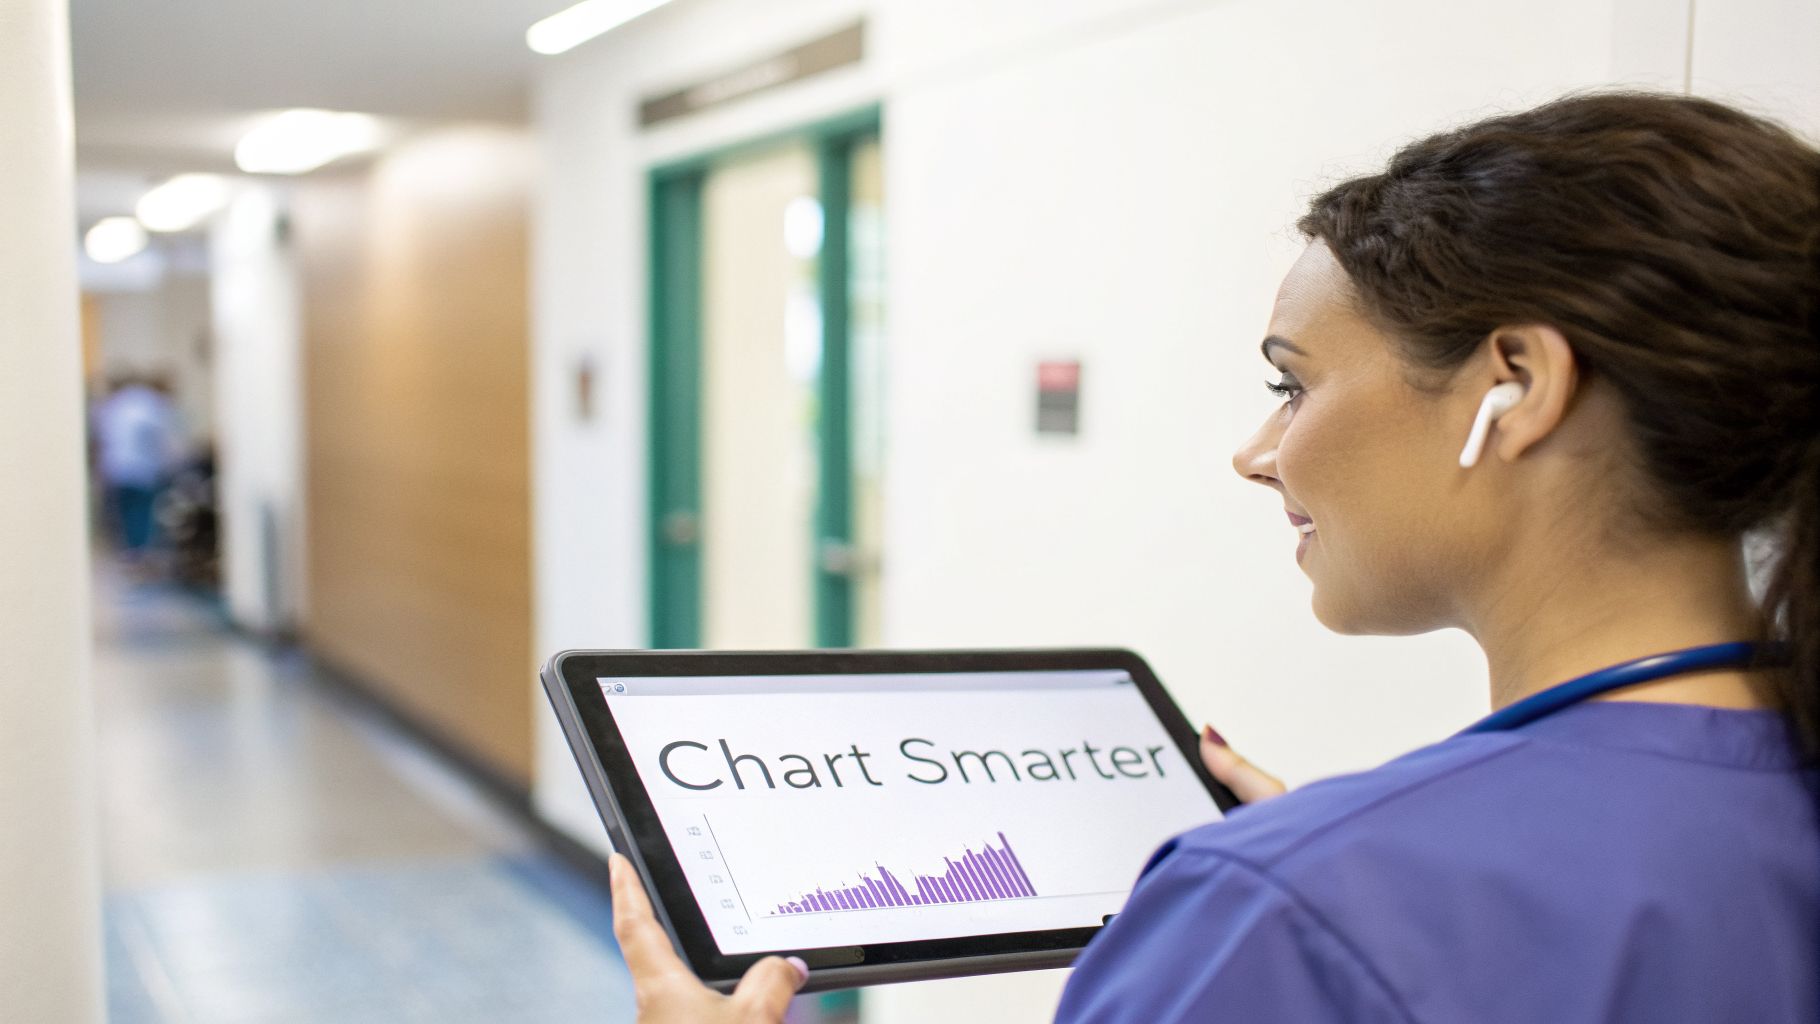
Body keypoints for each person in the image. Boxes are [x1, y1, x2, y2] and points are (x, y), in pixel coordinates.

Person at [605, 91, 1820, 1021]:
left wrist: (1308, 896)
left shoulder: (1285, 911)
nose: (1257, 454)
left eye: (1289, 386)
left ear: (1515, 384)